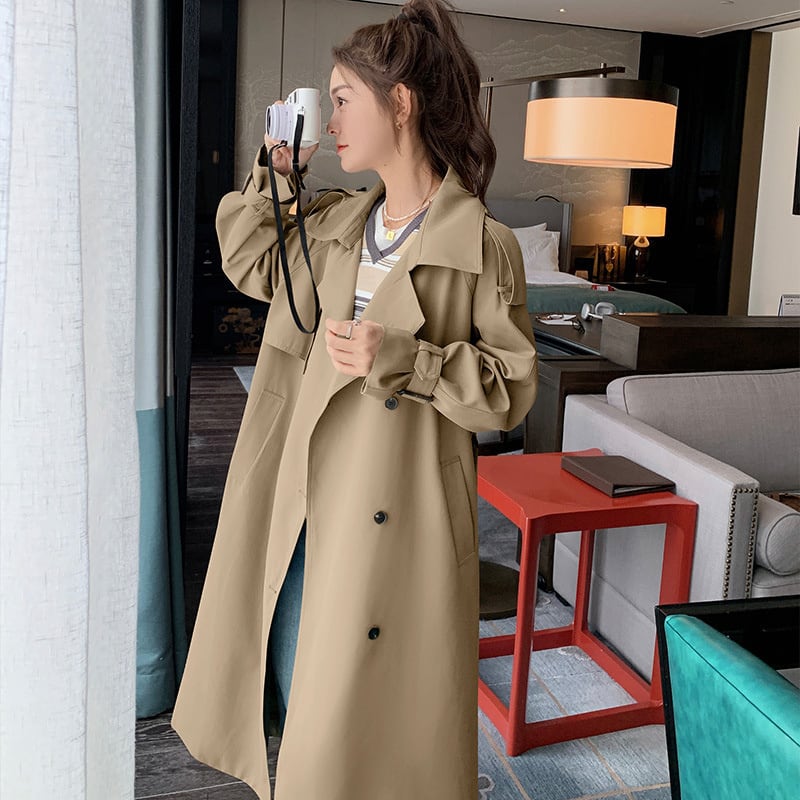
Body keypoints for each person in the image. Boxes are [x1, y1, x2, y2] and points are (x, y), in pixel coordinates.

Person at [170, 1, 537, 798]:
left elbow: (508, 392)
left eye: (342, 99)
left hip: (394, 521)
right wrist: (279, 165)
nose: (331, 119)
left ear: (399, 101)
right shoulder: (335, 223)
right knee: (299, 700)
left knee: (364, 728)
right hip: (301, 500)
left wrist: (404, 358)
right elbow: (248, 258)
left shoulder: (482, 246)